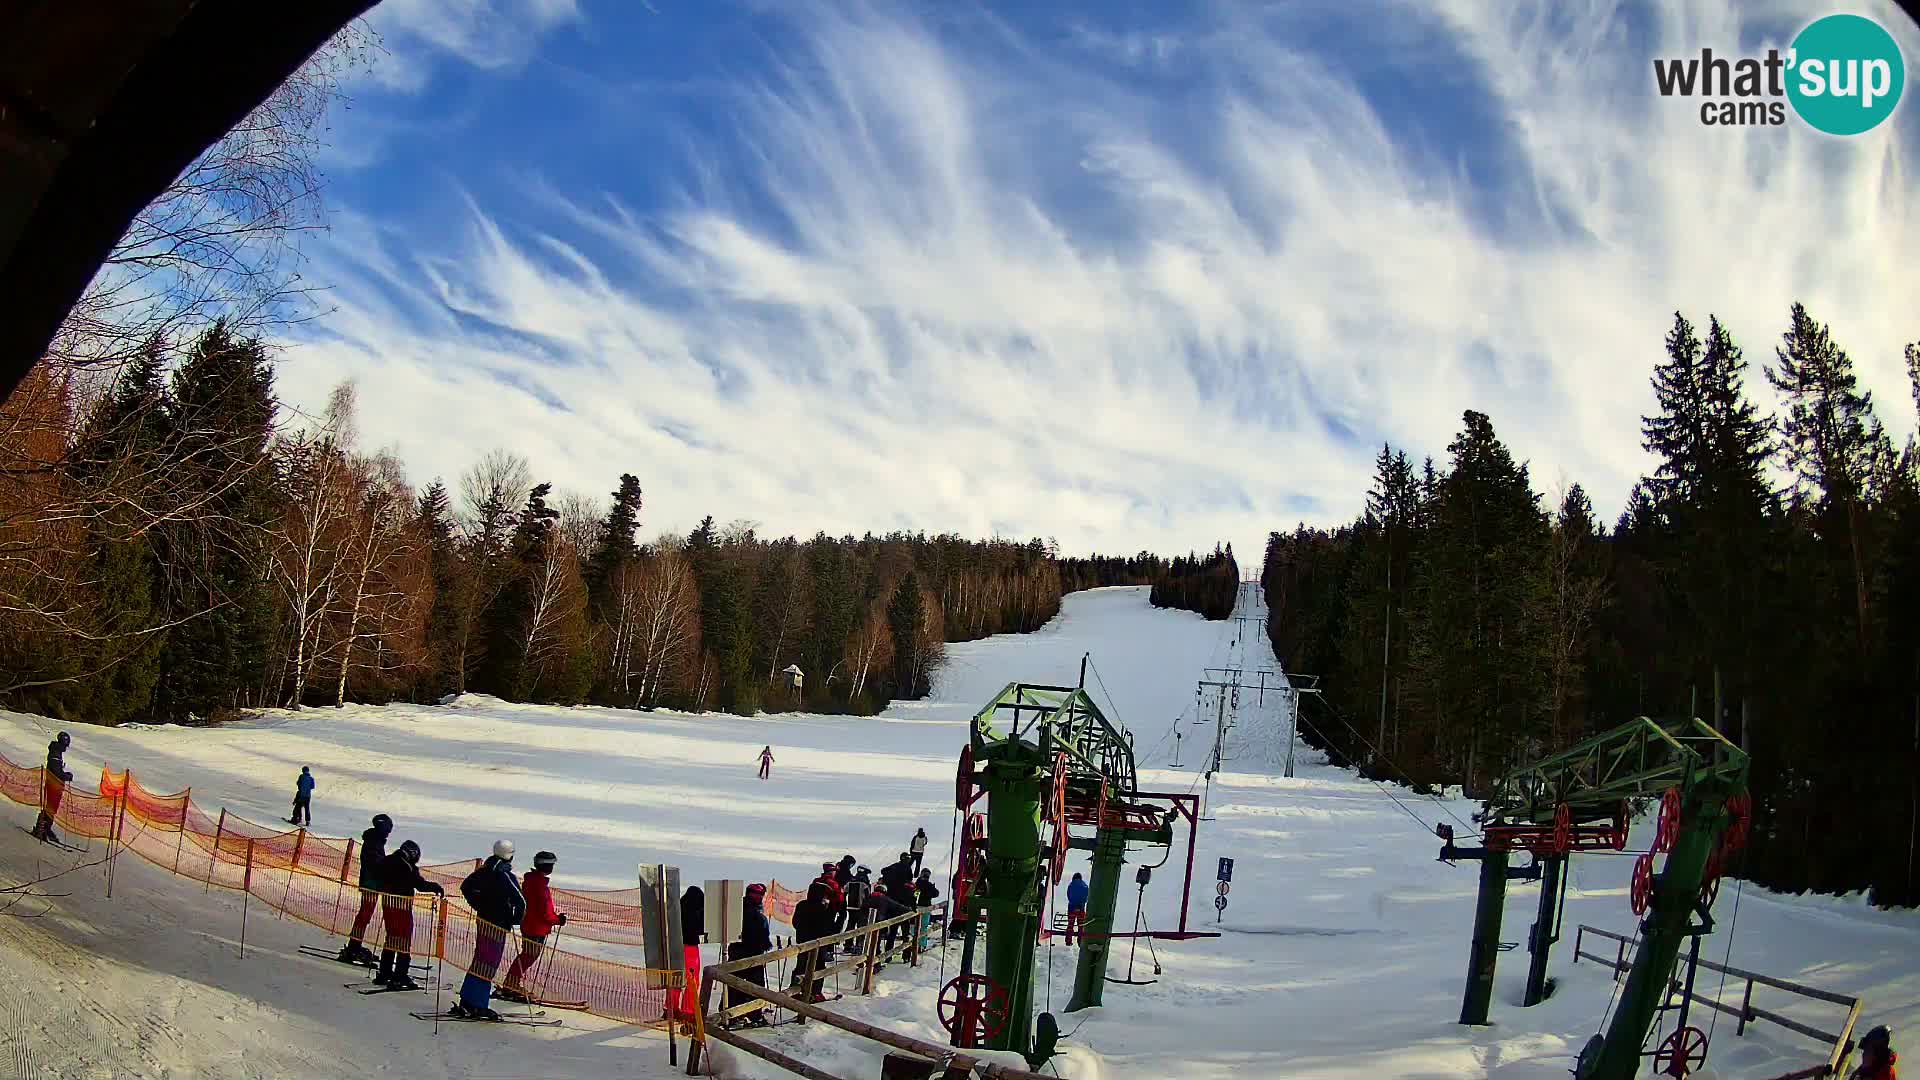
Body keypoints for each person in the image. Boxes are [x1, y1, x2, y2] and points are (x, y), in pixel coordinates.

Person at [454, 839, 525, 1020]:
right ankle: (479, 1004)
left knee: (479, 960)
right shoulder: (505, 875)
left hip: (484, 920)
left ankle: (467, 999)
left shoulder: (484, 870)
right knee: (489, 963)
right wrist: (514, 919)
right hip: (498, 925)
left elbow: (466, 887)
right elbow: (521, 902)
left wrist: (478, 905)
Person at [375, 839, 444, 990]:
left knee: (392, 937)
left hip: (388, 903)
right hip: (401, 906)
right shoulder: (407, 866)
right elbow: (419, 884)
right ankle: (400, 975)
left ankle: (385, 972)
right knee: (403, 939)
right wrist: (435, 887)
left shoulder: (388, 860)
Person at [501, 850, 567, 1004]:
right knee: (529, 956)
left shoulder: (531, 881)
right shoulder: (539, 885)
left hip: (529, 924)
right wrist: (557, 920)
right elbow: (545, 910)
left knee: (527, 955)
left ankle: (511, 983)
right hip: (537, 927)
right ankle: (511, 984)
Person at [337, 814, 392, 964]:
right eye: (388, 829)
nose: (389, 833)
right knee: (364, 916)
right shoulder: (373, 841)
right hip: (370, 884)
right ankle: (353, 947)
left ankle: (355, 945)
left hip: (372, 883)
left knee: (365, 916)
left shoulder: (375, 840)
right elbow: (374, 862)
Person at [725, 883, 774, 1027]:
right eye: (758, 894)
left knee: (735, 984)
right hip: (750, 954)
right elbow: (757, 935)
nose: (760, 897)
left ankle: (733, 1014)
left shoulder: (739, 908)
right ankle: (752, 1015)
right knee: (754, 986)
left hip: (738, 951)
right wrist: (765, 944)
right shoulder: (752, 913)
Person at [790, 881, 836, 1002]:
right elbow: (828, 927)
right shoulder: (822, 908)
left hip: (803, 941)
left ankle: (796, 989)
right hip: (818, 943)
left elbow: (795, 922)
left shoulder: (802, 905)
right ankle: (815, 992)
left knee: (801, 966)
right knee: (819, 967)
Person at [667, 884, 704, 1027]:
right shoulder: (695, 912)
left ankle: (670, 1008)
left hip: (675, 947)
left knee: (675, 979)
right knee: (692, 981)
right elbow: (700, 928)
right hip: (690, 948)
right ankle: (688, 1011)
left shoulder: (677, 908)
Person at [30, 732, 73, 843]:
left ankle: (46, 828)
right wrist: (66, 776)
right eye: (66, 745)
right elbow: (55, 771)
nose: (66, 748)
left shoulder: (57, 752)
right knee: (50, 807)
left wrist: (64, 774)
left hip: (55, 785)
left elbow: (57, 770)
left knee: (52, 807)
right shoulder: (55, 753)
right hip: (53, 785)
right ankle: (41, 829)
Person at [865, 883, 912, 955]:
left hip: (865, 923)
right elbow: (898, 907)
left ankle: (863, 957)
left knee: (866, 941)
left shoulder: (868, 897)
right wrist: (910, 911)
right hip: (879, 923)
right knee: (876, 942)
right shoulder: (885, 899)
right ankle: (875, 962)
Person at [842, 868, 872, 955]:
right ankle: (859, 946)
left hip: (851, 908)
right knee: (861, 927)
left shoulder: (850, 883)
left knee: (850, 926)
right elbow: (868, 897)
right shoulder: (864, 885)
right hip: (861, 909)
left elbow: (844, 892)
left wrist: (845, 904)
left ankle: (848, 945)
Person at [1065, 872, 1090, 946]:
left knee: (1070, 924)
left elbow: (1068, 895)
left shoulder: (1071, 885)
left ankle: (1068, 941)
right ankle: (1080, 942)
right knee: (1081, 925)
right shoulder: (1085, 885)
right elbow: (1087, 897)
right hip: (1081, 907)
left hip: (1072, 907)